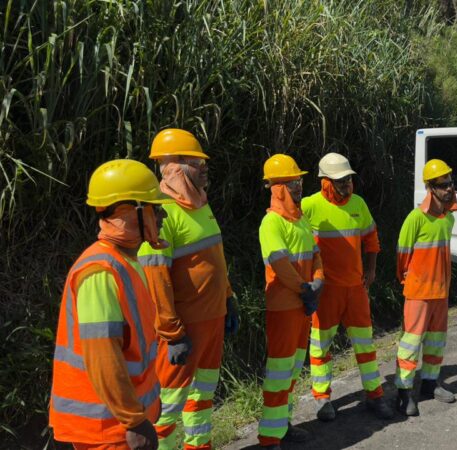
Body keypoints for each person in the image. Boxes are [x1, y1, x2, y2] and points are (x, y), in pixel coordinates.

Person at [50, 159, 173, 449]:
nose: (162, 216)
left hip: (118, 422)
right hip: (107, 429)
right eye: (155, 208)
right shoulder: (101, 272)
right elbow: (103, 355)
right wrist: (134, 421)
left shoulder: (124, 262)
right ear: (129, 213)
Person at [138, 128, 237, 449]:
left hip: (212, 323)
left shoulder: (200, 204)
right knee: (165, 408)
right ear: (175, 165)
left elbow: (214, 259)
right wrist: (172, 333)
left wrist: (229, 298)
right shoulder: (162, 214)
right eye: (197, 161)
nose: (205, 166)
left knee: (203, 395)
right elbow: (155, 280)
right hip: (182, 332)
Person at [301, 153, 394, 421]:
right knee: (320, 346)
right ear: (325, 182)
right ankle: (322, 399)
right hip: (325, 291)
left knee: (365, 344)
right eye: (340, 181)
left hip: (355, 289)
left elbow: (371, 237)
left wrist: (372, 268)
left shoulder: (359, 204)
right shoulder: (309, 206)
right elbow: (293, 237)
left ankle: (374, 396)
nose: (346, 185)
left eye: (349, 180)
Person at [258, 154, 324, 449]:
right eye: (294, 182)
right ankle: (270, 439)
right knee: (279, 373)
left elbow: (315, 254)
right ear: (278, 188)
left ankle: (282, 425)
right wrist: (305, 288)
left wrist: (319, 282)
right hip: (284, 308)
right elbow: (279, 262)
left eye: (300, 181)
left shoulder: (301, 219)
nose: (299, 187)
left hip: (303, 306)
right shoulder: (271, 223)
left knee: (294, 370)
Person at [394, 159, 457, 416]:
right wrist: (407, 280)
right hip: (419, 293)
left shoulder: (448, 218)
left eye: (450, 184)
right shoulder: (415, 218)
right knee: (410, 344)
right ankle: (403, 392)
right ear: (430, 188)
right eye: (443, 185)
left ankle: (430, 383)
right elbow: (402, 254)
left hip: (440, 293)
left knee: (436, 342)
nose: (448, 189)